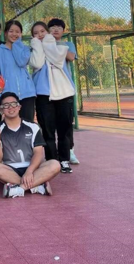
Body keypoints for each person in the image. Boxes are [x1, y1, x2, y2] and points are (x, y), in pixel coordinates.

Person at [0, 92, 60, 198]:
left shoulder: (33, 126)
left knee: (55, 164)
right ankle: (37, 185)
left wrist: (29, 171)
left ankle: (19, 188)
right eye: (6, 105)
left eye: (13, 104)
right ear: (1, 109)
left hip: (33, 168)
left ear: (19, 106)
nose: (10, 107)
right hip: (10, 169)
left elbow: (38, 153)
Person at [29, 22, 76, 174]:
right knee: (47, 130)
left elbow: (58, 58)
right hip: (43, 94)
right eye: (36, 33)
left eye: (42, 31)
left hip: (63, 92)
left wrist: (48, 43)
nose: (40, 34)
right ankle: (52, 160)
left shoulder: (61, 46)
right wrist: (38, 45)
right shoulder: (34, 49)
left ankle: (64, 159)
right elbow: (37, 63)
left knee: (64, 129)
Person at [48, 18, 80, 165]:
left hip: (65, 89)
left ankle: (69, 151)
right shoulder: (44, 44)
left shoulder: (68, 44)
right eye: (53, 27)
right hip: (49, 89)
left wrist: (56, 46)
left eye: (59, 28)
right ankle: (53, 156)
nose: (55, 30)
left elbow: (71, 57)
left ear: (63, 31)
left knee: (66, 123)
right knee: (50, 124)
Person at [0, 20, 36, 122]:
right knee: (11, 124)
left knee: (28, 124)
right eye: (11, 31)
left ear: (21, 34)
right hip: (8, 95)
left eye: (17, 32)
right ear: (5, 33)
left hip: (27, 93)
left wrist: (17, 45)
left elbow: (21, 62)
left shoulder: (25, 49)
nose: (14, 34)